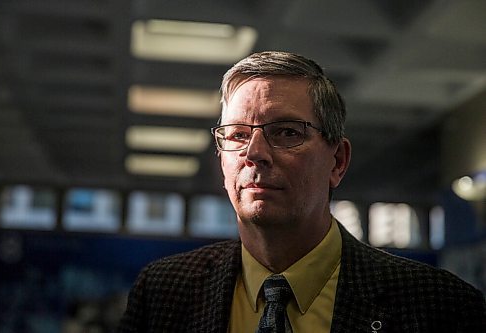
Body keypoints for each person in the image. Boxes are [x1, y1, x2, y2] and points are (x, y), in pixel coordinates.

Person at [117, 51, 485, 332]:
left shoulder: (439, 306)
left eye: (287, 132)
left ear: (337, 161)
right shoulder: (163, 291)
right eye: (237, 135)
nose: (254, 153)